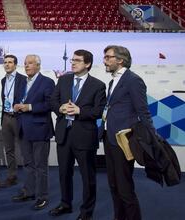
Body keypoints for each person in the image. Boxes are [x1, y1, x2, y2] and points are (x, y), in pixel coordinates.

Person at [49, 50, 106, 220]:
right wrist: (59, 108)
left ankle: (86, 212)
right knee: (64, 173)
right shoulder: (64, 79)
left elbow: (98, 111)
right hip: (63, 135)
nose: (73, 63)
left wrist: (80, 110)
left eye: (77, 61)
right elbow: (53, 100)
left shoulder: (98, 85)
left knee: (88, 177)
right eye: (72, 60)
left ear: (87, 64)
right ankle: (65, 204)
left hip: (84, 137)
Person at [100, 45, 153, 220]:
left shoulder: (133, 80)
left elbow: (143, 111)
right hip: (109, 139)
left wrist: (151, 139)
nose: (105, 60)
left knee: (124, 188)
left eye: (108, 57)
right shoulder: (112, 81)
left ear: (120, 60)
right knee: (113, 185)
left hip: (124, 140)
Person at [11, 54, 55, 210]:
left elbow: (50, 104)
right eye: (25, 63)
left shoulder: (47, 82)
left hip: (40, 129)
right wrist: (18, 106)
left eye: (30, 63)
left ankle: (42, 196)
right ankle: (29, 191)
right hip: (23, 128)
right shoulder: (22, 82)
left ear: (38, 65)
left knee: (40, 166)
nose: (27, 66)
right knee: (28, 164)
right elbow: (20, 99)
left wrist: (29, 107)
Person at [0, 54, 27, 187]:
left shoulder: (23, 79)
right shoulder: (3, 80)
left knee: (24, 148)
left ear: (15, 64)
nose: (7, 64)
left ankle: (29, 177)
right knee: (9, 149)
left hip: (19, 117)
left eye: (10, 62)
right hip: (6, 117)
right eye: (5, 62)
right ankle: (12, 176)